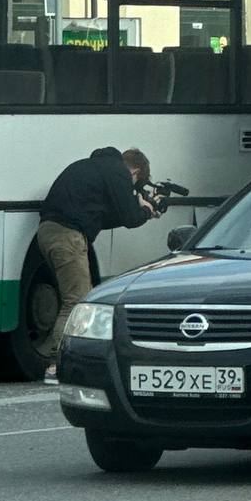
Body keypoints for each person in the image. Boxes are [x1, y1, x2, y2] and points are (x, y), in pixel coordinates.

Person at [37, 147, 158, 384]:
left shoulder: (88, 167)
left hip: (48, 233)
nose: (131, 185)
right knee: (77, 300)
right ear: (135, 170)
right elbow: (131, 218)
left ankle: (64, 358)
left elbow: (102, 216)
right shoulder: (117, 172)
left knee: (72, 296)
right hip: (68, 237)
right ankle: (56, 365)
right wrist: (145, 209)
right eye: (136, 182)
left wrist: (142, 208)